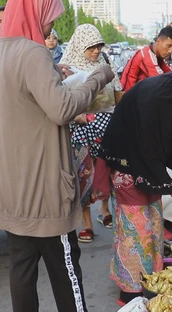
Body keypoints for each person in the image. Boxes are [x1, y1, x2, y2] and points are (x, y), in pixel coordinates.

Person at [0, 0, 115, 311]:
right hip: (44, 190)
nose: (53, 23)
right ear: (35, 11)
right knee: (66, 270)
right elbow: (62, 108)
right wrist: (98, 76)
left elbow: (29, 99)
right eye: (50, 15)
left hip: (13, 189)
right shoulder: (33, 53)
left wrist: (55, 73)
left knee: (22, 268)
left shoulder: (1, 50)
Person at [94, 54, 172, 306]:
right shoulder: (157, 98)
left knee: (152, 223)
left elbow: (160, 147)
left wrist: (169, 187)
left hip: (144, 161)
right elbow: (147, 149)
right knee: (136, 229)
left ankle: (148, 281)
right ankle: (130, 293)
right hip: (127, 162)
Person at [60, 23, 123, 242]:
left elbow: (117, 92)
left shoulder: (106, 62)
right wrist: (76, 116)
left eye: (98, 45)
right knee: (83, 174)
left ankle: (105, 210)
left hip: (105, 126)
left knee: (108, 170)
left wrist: (121, 117)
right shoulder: (66, 67)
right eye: (90, 47)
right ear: (80, 46)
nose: (96, 50)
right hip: (80, 128)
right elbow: (61, 102)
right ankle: (86, 222)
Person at [120, 26, 172, 92]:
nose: (170, 51)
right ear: (158, 41)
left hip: (138, 94)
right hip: (128, 97)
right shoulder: (145, 55)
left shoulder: (156, 55)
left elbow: (169, 73)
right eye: (169, 46)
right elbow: (161, 81)